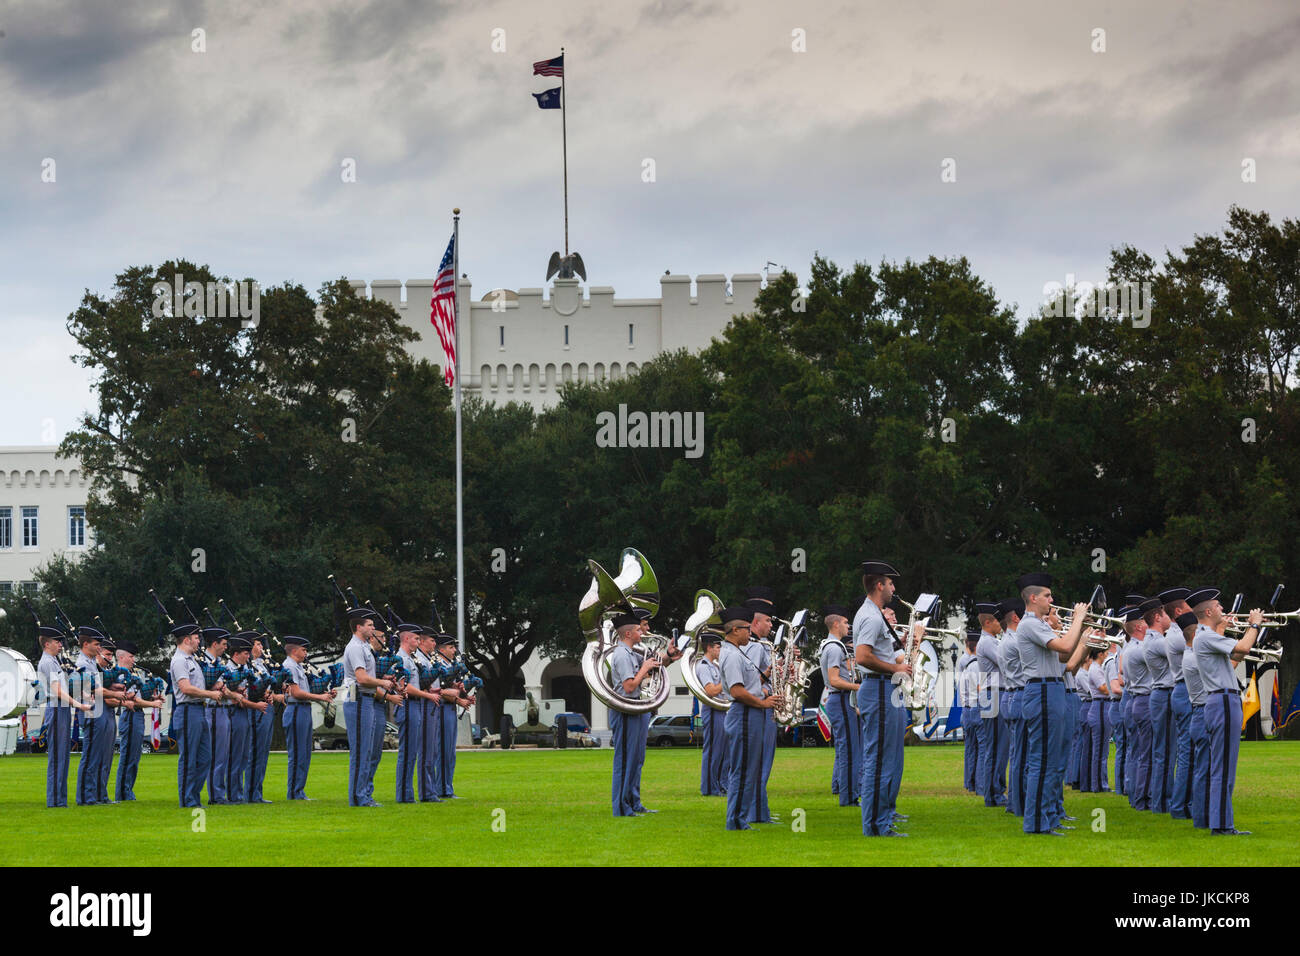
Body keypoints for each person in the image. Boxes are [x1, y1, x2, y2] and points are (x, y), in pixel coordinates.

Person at [1015, 572, 1087, 836]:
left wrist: (1083, 634)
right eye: (1047, 595)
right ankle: (1036, 823)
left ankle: (1047, 818)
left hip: (1051, 689)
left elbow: (1063, 659)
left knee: (1052, 760)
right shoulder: (1030, 624)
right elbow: (1065, 647)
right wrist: (1078, 619)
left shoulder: (1040, 624)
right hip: (1042, 691)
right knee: (1041, 761)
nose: (1051, 599)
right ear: (1033, 598)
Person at [1191, 588, 1262, 836]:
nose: (1224, 610)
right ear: (1208, 611)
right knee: (1224, 767)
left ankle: (1217, 821)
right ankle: (1222, 826)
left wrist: (1230, 629)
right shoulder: (1205, 636)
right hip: (1222, 702)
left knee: (1220, 765)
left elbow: (1232, 659)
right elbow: (1243, 648)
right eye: (1219, 607)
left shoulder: (1206, 636)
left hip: (1221, 700)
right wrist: (1254, 624)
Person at [854, 561, 914, 837]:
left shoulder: (874, 614)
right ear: (879, 585)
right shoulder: (870, 616)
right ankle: (875, 825)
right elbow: (863, 656)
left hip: (885, 688)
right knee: (878, 760)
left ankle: (883, 820)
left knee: (888, 759)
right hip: (878, 688)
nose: (893, 588)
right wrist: (896, 668)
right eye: (890, 583)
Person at [719, 606, 780, 830]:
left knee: (749, 768)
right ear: (735, 630)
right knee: (742, 770)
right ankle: (735, 820)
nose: (749, 633)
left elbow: (751, 684)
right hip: (744, 714)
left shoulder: (738, 652)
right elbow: (737, 691)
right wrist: (763, 703)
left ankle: (740, 818)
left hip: (748, 713)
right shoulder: (733, 655)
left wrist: (774, 670)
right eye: (746, 629)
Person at [341, 607, 398, 807]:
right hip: (358, 699)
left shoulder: (364, 646)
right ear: (358, 627)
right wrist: (382, 683)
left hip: (365, 700)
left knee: (367, 751)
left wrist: (384, 678)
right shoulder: (355, 647)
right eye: (370, 625)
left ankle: (363, 794)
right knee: (360, 751)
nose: (373, 628)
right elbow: (362, 678)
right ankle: (358, 797)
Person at [608, 610, 658, 816]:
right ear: (628, 634)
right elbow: (629, 686)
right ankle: (620, 806)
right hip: (626, 708)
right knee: (625, 759)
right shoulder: (621, 654)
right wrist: (645, 668)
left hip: (635, 708)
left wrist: (668, 656)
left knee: (636, 759)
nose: (642, 632)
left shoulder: (631, 653)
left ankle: (633, 802)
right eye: (639, 629)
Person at [169, 623, 223, 808]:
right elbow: (185, 688)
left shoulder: (192, 659)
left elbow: (198, 685)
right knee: (189, 757)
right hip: (187, 710)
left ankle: (193, 795)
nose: (199, 641)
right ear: (186, 640)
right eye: (196, 638)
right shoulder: (179, 661)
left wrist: (212, 687)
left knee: (205, 757)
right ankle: (187, 799)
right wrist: (211, 694)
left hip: (198, 710)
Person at [38, 628, 91, 808]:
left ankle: (60, 799)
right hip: (56, 708)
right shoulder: (47, 663)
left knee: (63, 756)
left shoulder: (55, 661)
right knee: (57, 757)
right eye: (57, 641)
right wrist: (79, 704)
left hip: (63, 709)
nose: (60, 644)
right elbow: (57, 691)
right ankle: (54, 800)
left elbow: (66, 686)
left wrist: (82, 696)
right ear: (47, 644)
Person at [742, 586, 780, 824]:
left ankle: (760, 811)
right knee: (761, 763)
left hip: (760, 708)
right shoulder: (756, 647)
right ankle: (755, 812)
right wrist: (769, 682)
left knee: (760, 763)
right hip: (761, 709)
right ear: (755, 623)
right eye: (767, 621)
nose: (770, 625)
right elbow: (753, 684)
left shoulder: (758, 646)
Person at [282, 634, 332, 800]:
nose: (306, 653)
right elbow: (296, 692)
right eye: (303, 650)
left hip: (303, 709)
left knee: (304, 753)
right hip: (296, 709)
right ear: (294, 650)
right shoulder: (289, 666)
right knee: (297, 753)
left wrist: (324, 693)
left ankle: (299, 791)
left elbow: (306, 690)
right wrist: (320, 698)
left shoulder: (298, 666)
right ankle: (294, 792)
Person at [819, 604, 860, 806]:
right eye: (845, 622)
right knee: (849, 751)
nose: (848, 626)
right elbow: (834, 680)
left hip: (841, 699)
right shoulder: (835, 648)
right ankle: (848, 797)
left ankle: (850, 794)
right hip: (841, 698)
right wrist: (857, 687)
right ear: (836, 624)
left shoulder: (832, 645)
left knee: (849, 749)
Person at [1159, 588, 1194, 820]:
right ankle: (1180, 806)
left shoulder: (1178, 633)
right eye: (1190, 608)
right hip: (1184, 690)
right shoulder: (1177, 635)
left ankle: (1186, 803)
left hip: (1185, 691)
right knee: (1186, 752)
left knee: (1189, 752)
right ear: (1180, 611)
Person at [394, 622, 438, 804]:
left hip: (415, 705)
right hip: (408, 704)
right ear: (406, 638)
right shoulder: (401, 658)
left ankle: (408, 793)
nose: (418, 641)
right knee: (407, 752)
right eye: (416, 638)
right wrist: (426, 694)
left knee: (412, 752)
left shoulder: (410, 658)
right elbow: (405, 686)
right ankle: (404, 794)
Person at [114, 640, 162, 802]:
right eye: (130, 656)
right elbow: (132, 701)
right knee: (128, 756)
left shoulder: (133, 674)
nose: (133, 660)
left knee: (134, 757)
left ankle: (128, 790)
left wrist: (153, 696)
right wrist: (152, 703)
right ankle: (122, 793)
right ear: (121, 657)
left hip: (137, 716)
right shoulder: (119, 675)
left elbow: (139, 696)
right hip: (130, 715)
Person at [1142, 599, 1177, 813]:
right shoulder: (1157, 641)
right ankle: (1162, 801)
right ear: (1157, 617)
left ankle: (1162, 799)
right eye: (1165, 615)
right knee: (1164, 751)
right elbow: (1181, 645)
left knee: (1164, 750)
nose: (1168, 619)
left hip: (1162, 695)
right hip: (1163, 695)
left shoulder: (1156, 638)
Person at [1177, 611, 1210, 829]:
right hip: (1202, 712)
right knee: (1203, 769)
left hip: (1200, 712)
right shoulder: (1194, 656)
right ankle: (1200, 815)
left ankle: (1199, 812)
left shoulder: (1192, 654)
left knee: (1202, 767)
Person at [433, 631, 474, 798]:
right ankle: (442, 788)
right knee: (443, 751)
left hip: (450, 709)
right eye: (451, 647)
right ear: (442, 649)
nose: (454, 650)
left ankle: (447, 787)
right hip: (442, 708)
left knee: (450, 751)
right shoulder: (438, 665)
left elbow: (454, 688)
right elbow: (440, 691)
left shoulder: (451, 665)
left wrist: (465, 694)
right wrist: (460, 701)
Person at [973, 601, 1006, 807]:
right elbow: (1007, 662)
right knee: (995, 746)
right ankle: (993, 793)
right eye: (996, 620)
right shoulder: (988, 642)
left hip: (994, 693)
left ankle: (994, 791)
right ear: (987, 622)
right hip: (993, 693)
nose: (999, 623)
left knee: (998, 746)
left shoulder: (991, 640)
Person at [1120, 602, 1153, 811]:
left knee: (1135, 751)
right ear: (1140, 626)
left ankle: (1134, 793)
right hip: (1143, 700)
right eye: (1145, 621)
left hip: (1134, 700)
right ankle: (1142, 797)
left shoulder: (1129, 648)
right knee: (1145, 753)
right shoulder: (1139, 650)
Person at [998, 598, 1027, 816]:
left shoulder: (1005, 640)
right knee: (1021, 755)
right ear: (1016, 617)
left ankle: (1014, 802)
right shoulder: (1017, 641)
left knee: (1017, 753)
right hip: (1019, 695)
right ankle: (1018, 803)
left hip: (1010, 696)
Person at [200, 627, 235, 805]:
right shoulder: (203, 662)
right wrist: (232, 694)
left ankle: (219, 793)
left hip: (222, 709)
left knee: (223, 754)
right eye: (223, 644)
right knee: (215, 755)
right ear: (214, 644)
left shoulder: (218, 662)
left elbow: (222, 686)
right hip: (212, 709)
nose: (226, 647)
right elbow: (211, 686)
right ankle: (216, 795)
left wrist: (229, 692)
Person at [72, 628, 106, 806]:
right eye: (96, 644)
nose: (99, 647)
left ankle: (90, 795)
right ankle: (85, 797)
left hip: (97, 709)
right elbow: (85, 691)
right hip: (90, 711)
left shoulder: (92, 662)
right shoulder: (82, 664)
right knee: (90, 756)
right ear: (85, 644)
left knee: (95, 756)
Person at [246, 634, 281, 803]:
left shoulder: (262, 664)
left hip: (266, 708)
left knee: (263, 754)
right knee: (255, 753)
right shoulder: (248, 665)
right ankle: (250, 793)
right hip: (255, 709)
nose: (261, 648)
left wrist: (270, 694)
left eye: (261, 644)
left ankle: (257, 793)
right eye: (257, 644)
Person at [223, 634, 257, 803]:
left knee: (243, 755)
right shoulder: (227, 669)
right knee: (234, 755)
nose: (248, 656)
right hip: (232, 711)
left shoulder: (243, 670)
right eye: (245, 653)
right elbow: (226, 692)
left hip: (243, 712)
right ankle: (232, 793)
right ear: (236, 654)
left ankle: (238, 792)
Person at [696, 633, 729, 797]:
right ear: (709, 647)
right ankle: (709, 787)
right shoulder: (703, 666)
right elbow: (710, 691)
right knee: (714, 751)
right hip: (713, 709)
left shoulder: (715, 666)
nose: (720, 650)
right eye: (718, 647)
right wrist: (728, 681)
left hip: (722, 710)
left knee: (724, 751)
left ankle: (721, 784)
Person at [414, 630, 444, 802]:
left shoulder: (425, 658)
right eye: (432, 641)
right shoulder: (418, 658)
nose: (434, 645)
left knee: (431, 751)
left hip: (431, 701)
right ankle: (426, 792)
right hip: (424, 703)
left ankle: (430, 790)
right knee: (426, 751)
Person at [957, 631, 981, 794]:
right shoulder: (974, 664)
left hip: (966, 708)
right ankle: (979, 783)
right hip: (975, 707)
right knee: (981, 748)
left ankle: (970, 782)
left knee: (970, 748)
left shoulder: (964, 665)